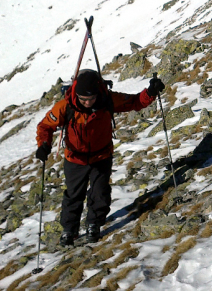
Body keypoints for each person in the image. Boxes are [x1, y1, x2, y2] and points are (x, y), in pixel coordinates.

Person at [35, 69, 165, 245]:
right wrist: (44, 145)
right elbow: (45, 126)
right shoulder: (65, 106)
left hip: (101, 156)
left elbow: (134, 102)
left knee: (100, 193)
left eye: (91, 99)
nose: (87, 103)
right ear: (77, 94)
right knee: (73, 195)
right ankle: (69, 230)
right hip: (75, 159)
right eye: (83, 99)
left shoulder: (108, 99)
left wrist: (150, 92)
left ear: (98, 93)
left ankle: (94, 225)